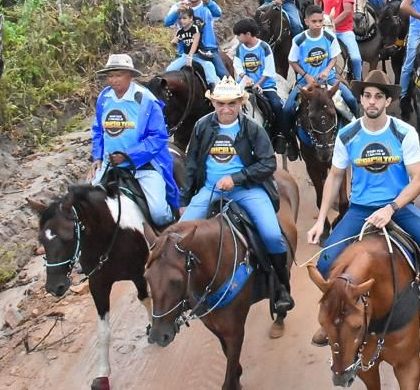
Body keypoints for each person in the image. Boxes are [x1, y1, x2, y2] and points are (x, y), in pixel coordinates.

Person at [306, 70, 420, 343]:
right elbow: (335, 176)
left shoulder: (403, 132)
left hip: (399, 208)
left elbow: (417, 178)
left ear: (387, 102)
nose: (372, 102)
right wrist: (320, 220)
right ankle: (335, 314)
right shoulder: (347, 134)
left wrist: (392, 208)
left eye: (378, 97)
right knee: (326, 263)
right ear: (361, 100)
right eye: (367, 96)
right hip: (360, 210)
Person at [180, 77, 293, 312]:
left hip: (248, 190)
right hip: (209, 189)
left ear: (241, 103)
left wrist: (237, 178)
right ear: (213, 104)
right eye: (221, 103)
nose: (226, 109)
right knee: (179, 239)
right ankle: (182, 292)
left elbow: (268, 163)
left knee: (272, 235)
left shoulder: (252, 128)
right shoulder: (202, 126)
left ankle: (281, 286)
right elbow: (191, 163)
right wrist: (184, 199)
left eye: (232, 103)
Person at [90, 54, 179, 226]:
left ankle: (171, 230)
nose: (114, 80)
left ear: (130, 75)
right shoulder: (104, 98)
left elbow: (158, 137)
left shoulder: (146, 100)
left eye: (118, 75)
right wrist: (97, 157)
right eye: (110, 76)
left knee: (159, 212)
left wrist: (129, 156)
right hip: (110, 164)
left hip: (143, 166)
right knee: (87, 206)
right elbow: (98, 130)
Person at [283, 5, 359, 160]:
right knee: (287, 109)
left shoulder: (329, 36)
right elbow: (292, 61)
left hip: (328, 78)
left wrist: (326, 71)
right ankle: (290, 142)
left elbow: (333, 57)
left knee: (351, 99)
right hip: (306, 82)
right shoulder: (299, 40)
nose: (318, 24)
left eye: (320, 21)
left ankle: (357, 133)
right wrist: (305, 75)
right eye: (314, 21)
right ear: (306, 21)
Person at [231, 18, 288, 147]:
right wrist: (244, 76)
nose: (237, 38)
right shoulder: (239, 48)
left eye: (238, 35)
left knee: (277, 105)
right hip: (244, 85)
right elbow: (237, 65)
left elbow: (269, 70)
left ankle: (281, 135)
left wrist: (258, 84)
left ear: (248, 34)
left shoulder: (264, 47)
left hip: (265, 85)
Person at [164, 0, 228, 80]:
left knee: (223, 74)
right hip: (184, 51)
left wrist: (208, 1)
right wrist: (177, 11)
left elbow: (217, 14)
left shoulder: (207, 6)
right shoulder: (178, 6)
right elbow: (167, 22)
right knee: (168, 75)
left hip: (207, 50)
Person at [314, 0, 363, 82]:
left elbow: (347, 11)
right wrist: (320, 16)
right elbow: (316, 0)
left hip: (344, 30)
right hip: (325, 29)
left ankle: (358, 81)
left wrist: (332, 22)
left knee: (356, 58)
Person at [165, 7, 219, 88]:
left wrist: (190, 56)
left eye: (184, 18)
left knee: (208, 65)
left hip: (198, 55)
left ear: (191, 19)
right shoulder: (180, 31)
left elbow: (195, 43)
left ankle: (213, 87)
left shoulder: (195, 28)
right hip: (185, 56)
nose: (181, 21)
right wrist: (174, 42)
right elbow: (176, 39)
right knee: (169, 69)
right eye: (180, 18)